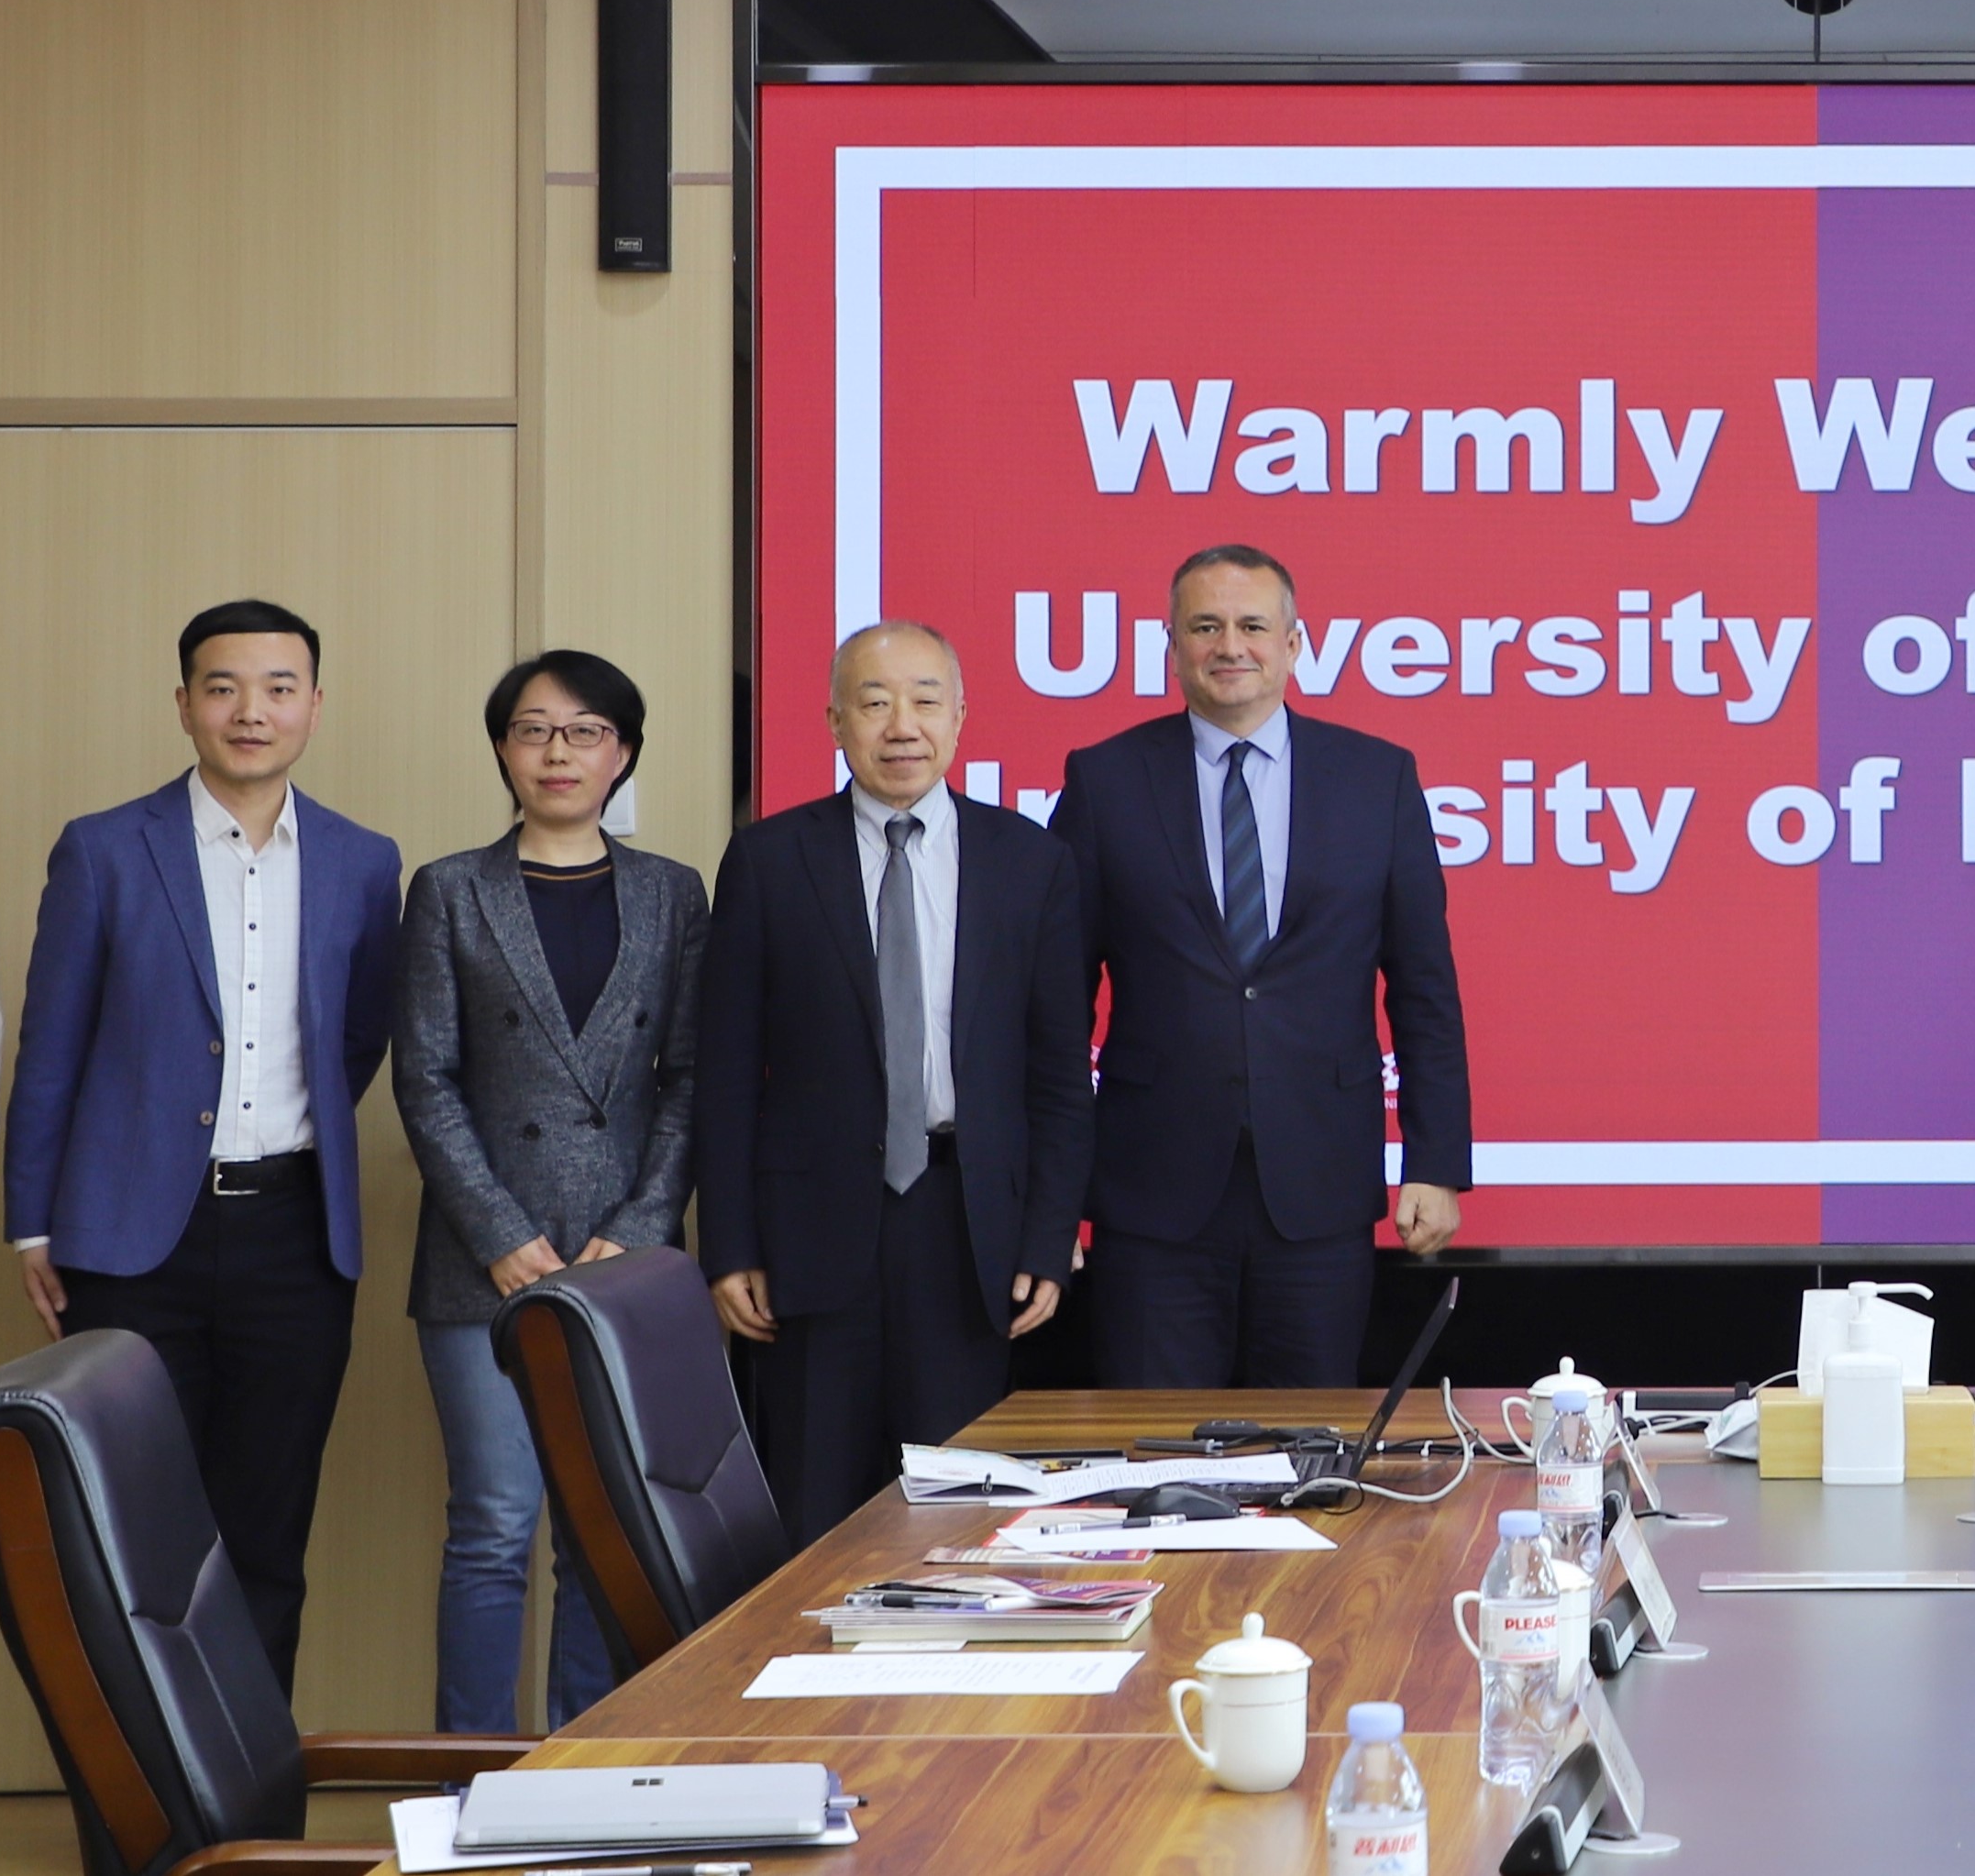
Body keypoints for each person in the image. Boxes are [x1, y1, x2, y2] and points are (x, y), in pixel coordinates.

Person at [2, 600, 403, 1690]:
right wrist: (32, 1222)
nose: (250, 711)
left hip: (296, 1238)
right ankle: (143, 1785)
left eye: (278, 687)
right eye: (223, 687)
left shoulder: (365, 860)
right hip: (133, 1241)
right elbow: (52, 1043)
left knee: (267, 1537)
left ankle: (247, 1779)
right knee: (132, 1532)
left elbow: (360, 1032)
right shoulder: (104, 848)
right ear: (184, 704)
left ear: (314, 704)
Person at [695, 622, 1092, 1537]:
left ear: (960, 716)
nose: (901, 724)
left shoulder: (1029, 862)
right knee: (814, 1510)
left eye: (924, 700)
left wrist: (1047, 1237)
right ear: (836, 721)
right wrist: (730, 1243)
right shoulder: (768, 859)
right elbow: (727, 1070)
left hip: (969, 1228)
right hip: (809, 1233)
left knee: (959, 1518)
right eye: (874, 702)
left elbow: (1058, 1077)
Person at [1054, 545, 1475, 1389]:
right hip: (1152, 1197)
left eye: (1252, 625)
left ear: (1293, 643)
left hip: (1319, 1189)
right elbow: (1056, 1000)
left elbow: (1424, 987)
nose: (1229, 646)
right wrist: (1052, 1194)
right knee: (1154, 1451)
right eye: (1205, 626)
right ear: (1173, 644)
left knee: (1310, 1446)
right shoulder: (1104, 780)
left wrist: (1435, 1161)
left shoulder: (1379, 778)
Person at [389, 651, 707, 1733]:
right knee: (491, 1525)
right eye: (533, 729)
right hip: (481, 1261)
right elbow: (424, 1076)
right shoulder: (450, 888)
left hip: (621, 1264)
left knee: (599, 1528)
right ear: (501, 749)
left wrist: (642, 1227)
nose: (558, 752)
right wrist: (498, 1232)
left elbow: (690, 1077)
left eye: (585, 731)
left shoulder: (671, 891)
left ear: (623, 753)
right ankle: (466, 1771)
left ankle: (583, 1761)